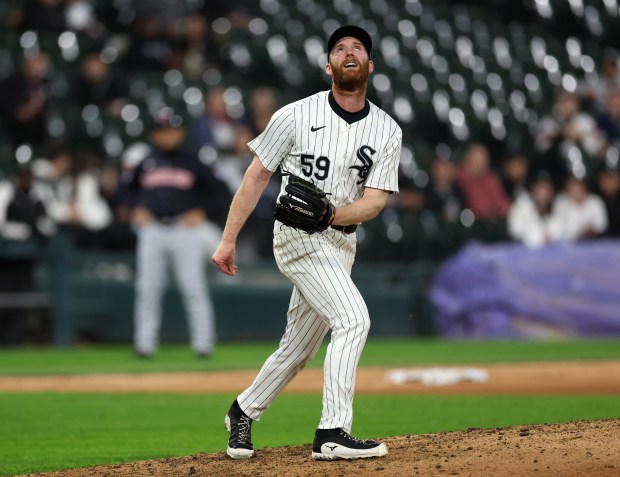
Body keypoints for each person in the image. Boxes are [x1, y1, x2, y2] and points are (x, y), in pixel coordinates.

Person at [212, 25, 402, 460]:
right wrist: (228, 241)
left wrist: (334, 215)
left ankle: (242, 410)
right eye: (339, 48)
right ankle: (332, 431)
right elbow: (256, 176)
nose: (348, 52)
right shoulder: (294, 115)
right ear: (328, 65)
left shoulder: (387, 131)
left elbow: (373, 203)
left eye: (357, 47)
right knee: (353, 319)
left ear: (370, 66)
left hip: (340, 244)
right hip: (297, 238)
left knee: (299, 349)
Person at [125, 107, 224, 358]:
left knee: (193, 287)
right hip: (153, 230)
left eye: (172, 129)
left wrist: (201, 211)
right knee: (147, 289)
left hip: (184, 229)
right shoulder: (146, 162)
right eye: (162, 130)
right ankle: (144, 345)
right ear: (154, 134)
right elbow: (123, 191)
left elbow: (220, 191)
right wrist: (134, 208)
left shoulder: (192, 161)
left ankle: (203, 345)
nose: (167, 135)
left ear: (181, 132)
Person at [455, 142, 512, 220]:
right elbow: (478, 208)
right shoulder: (459, 178)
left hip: (492, 223)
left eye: (483, 159)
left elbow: (504, 206)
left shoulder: (491, 180)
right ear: (467, 159)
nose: (479, 162)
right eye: (475, 160)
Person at [507, 171, 562, 248]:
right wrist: (541, 238)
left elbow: (563, 232)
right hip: (525, 254)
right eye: (539, 189)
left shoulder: (560, 205)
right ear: (532, 190)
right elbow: (515, 232)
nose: (543, 194)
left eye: (547, 189)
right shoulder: (520, 207)